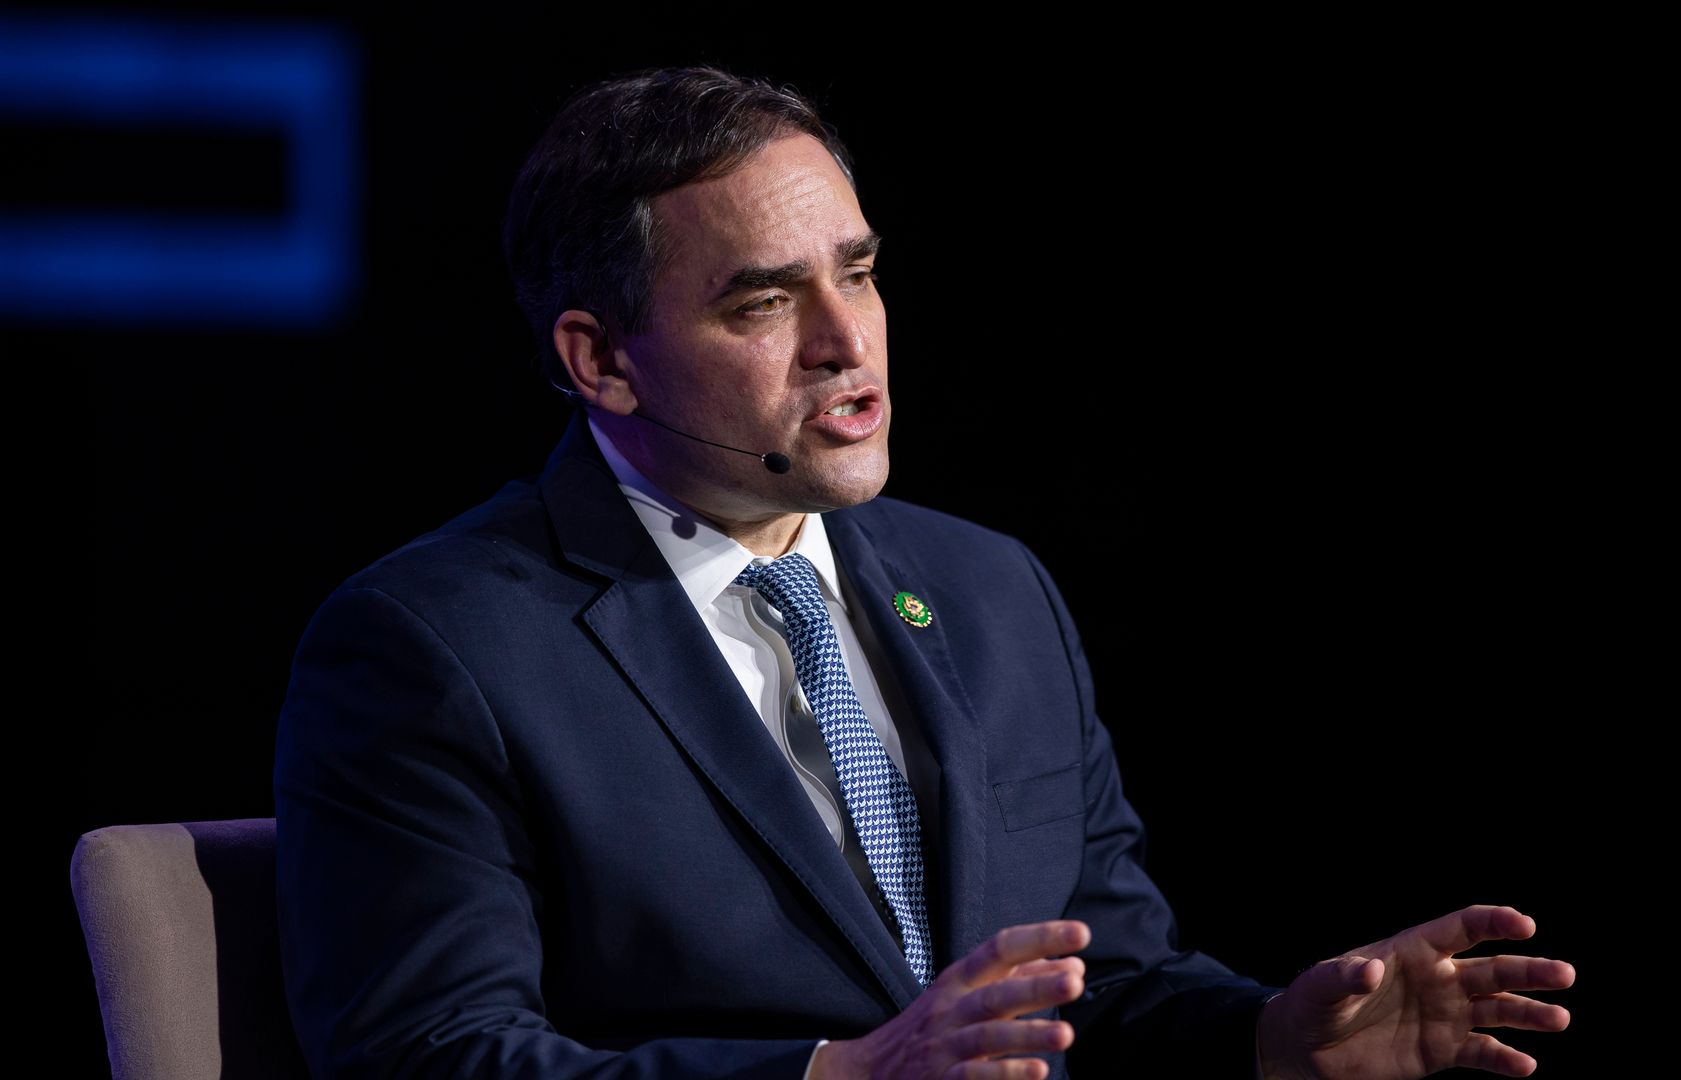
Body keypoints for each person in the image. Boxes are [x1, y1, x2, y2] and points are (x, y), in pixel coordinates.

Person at [273, 66, 1575, 1080]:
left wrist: (1273, 1041)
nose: (848, 342)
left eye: (859, 271)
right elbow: (431, 1055)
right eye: (761, 303)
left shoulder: (991, 590)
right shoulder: (436, 647)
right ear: (601, 359)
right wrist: (838, 1073)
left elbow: (1101, 985)